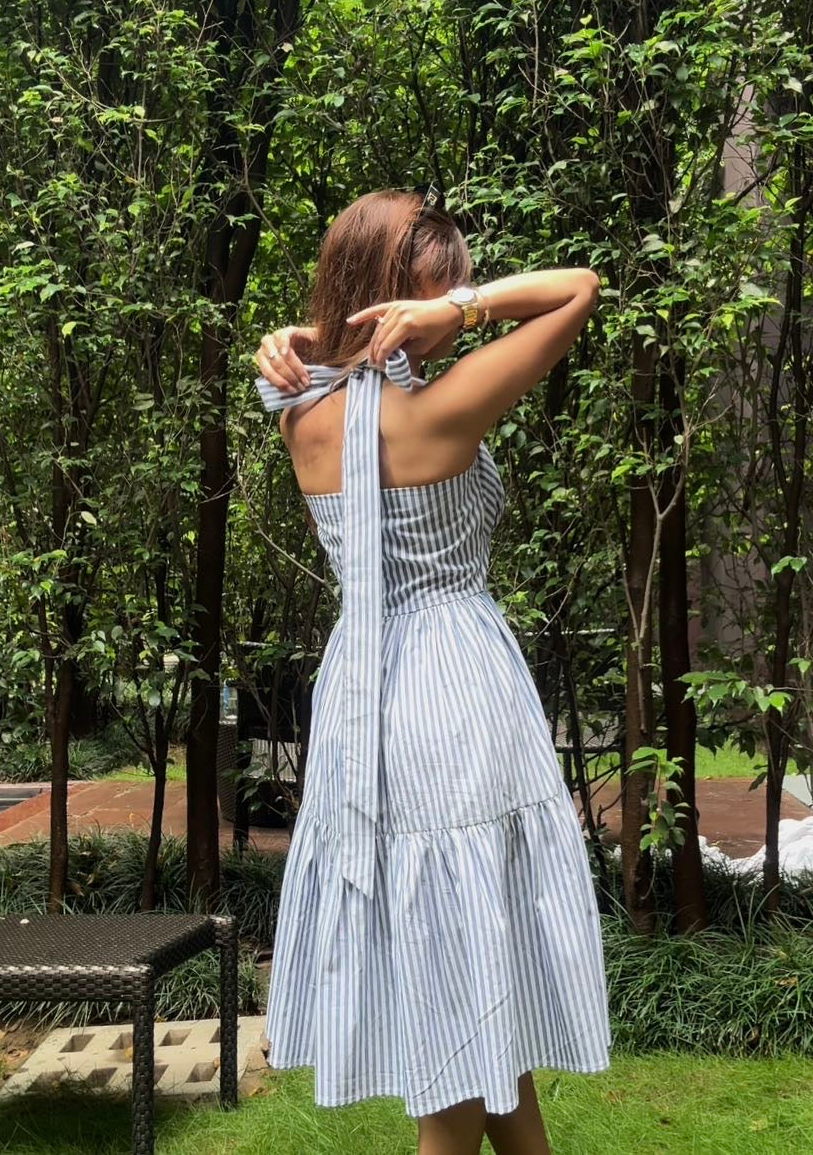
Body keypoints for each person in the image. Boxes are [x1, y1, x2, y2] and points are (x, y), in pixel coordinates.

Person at [251, 186, 611, 1155]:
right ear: (388, 300)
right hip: (453, 698)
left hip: (364, 694)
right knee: (451, 1041)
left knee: (464, 981)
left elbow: (297, 355)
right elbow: (578, 289)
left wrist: (310, 335)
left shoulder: (299, 408)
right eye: (429, 298)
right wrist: (463, 310)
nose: (445, 321)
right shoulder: (442, 407)